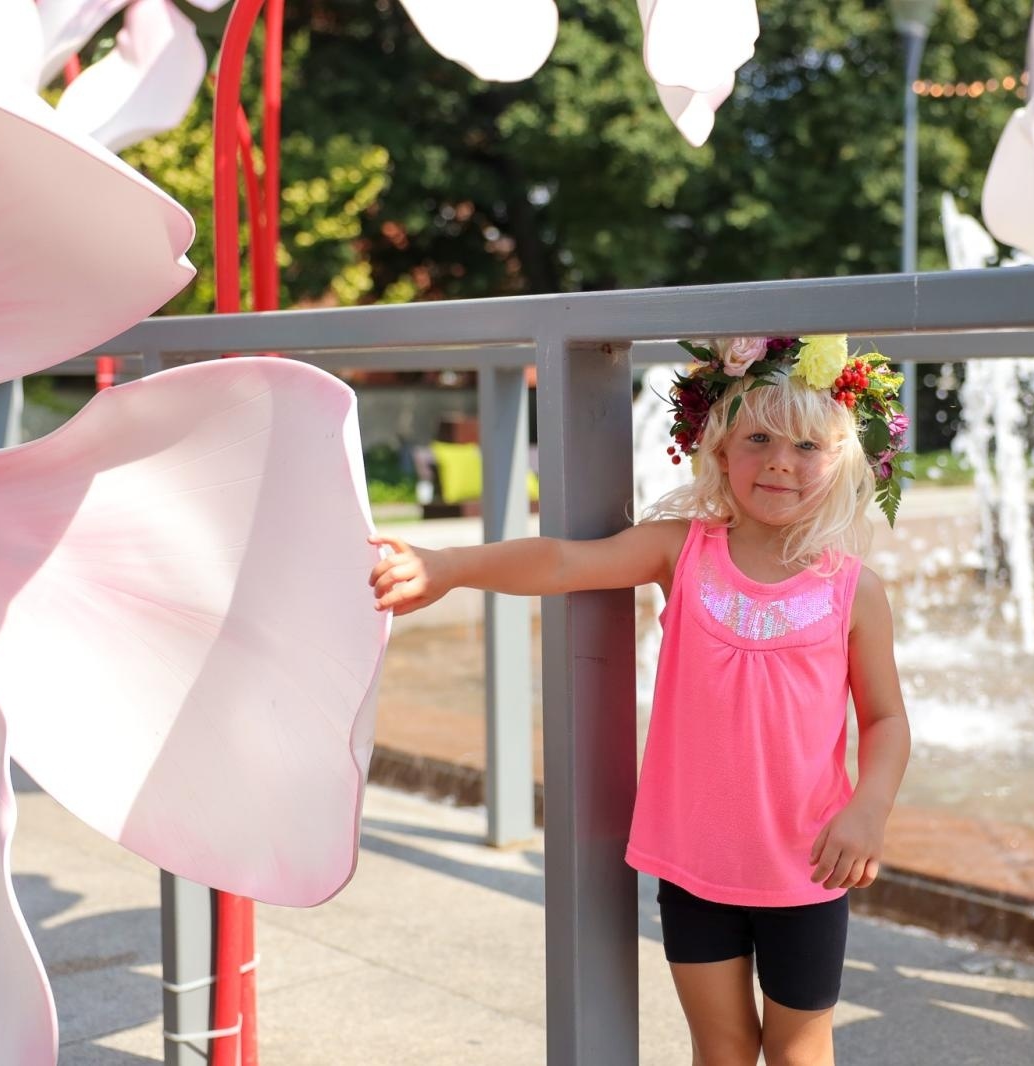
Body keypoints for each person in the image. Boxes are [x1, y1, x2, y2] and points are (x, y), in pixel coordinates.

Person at [369, 334, 913, 1066]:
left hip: (807, 867)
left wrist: (869, 809)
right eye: (758, 437)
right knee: (720, 1050)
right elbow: (563, 560)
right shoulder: (682, 551)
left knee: (797, 1051)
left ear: (843, 463)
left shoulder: (855, 592)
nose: (781, 460)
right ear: (720, 452)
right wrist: (448, 567)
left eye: (808, 446)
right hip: (694, 864)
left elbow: (884, 718)